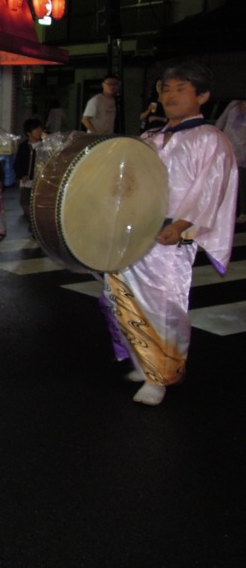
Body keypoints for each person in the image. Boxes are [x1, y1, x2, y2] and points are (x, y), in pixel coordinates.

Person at [100, 62, 237, 406]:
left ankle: (161, 374)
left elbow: (210, 189)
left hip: (169, 236)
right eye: (165, 89)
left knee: (162, 304)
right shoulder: (150, 138)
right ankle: (142, 362)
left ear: (202, 96)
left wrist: (180, 226)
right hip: (136, 232)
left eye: (180, 89)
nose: (170, 96)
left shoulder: (211, 140)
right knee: (121, 297)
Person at [214, 98, 246, 223]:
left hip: (242, 152)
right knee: (224, 181)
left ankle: (242, 212)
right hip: (227, 149)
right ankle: (222, 211)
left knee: (241, 183)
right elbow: (220, 123)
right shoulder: (234, 105)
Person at [13, 118, 44, 226]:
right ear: (28, 133)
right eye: (36, 130)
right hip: (26, 180)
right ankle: (31, 219)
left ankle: (34, 223)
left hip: (40, 180)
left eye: (40, 129)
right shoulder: (23, 147)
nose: (40, 132)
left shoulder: (44, 146)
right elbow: (18, 163)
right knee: (25, 203)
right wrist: (21, 175)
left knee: (37, 201)